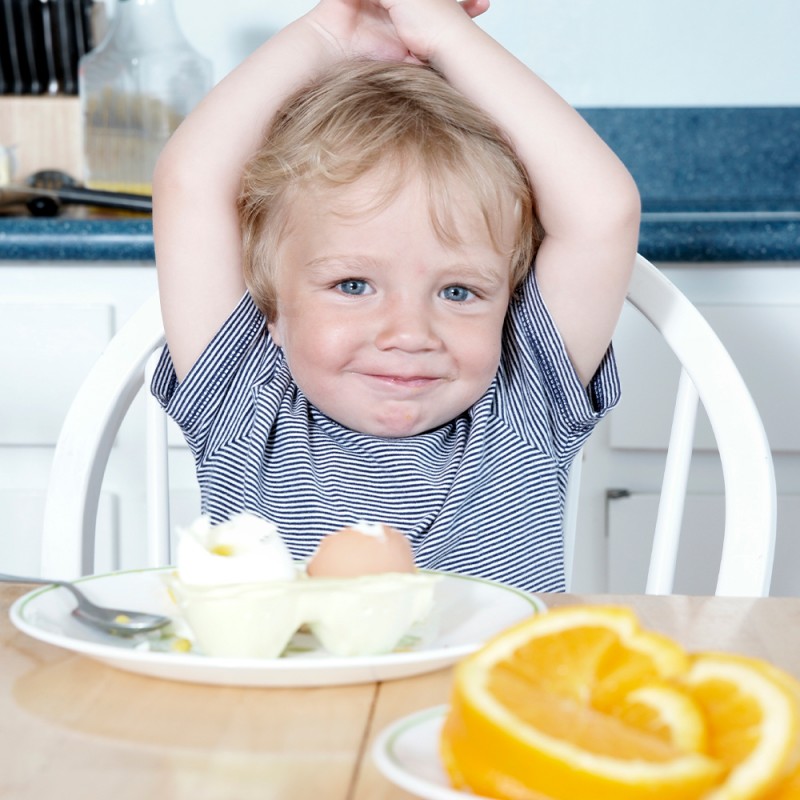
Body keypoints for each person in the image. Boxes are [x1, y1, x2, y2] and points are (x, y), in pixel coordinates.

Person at [151, 0, 640, 592]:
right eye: (353, 285)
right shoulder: (242, 402)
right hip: (281, 691)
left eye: (459, 291)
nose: (409, 333)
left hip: (479, 689)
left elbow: (602, 212)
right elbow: (190, 180)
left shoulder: (525, 399)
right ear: (273, 309)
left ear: (505, 299)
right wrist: (329, 31)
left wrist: (443, 32)